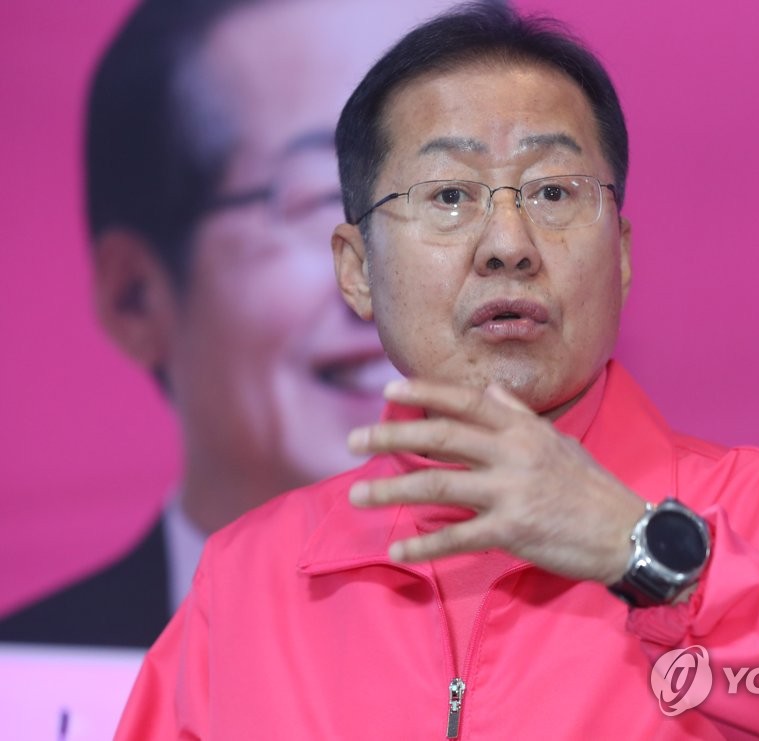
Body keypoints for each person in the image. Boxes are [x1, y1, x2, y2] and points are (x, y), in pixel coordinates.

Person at [115, 3, 759, 737]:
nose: (508, 243)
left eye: (552, 191)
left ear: (619, 253)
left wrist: (653, 557)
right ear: (355, 268)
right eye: (449, 195)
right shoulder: (250, 581)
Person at [0, 0, 482, 647]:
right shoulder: (31, 677)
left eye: (453, 195)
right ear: (135, 295)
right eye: (327, 196)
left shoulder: (614, 633)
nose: (409, 277)